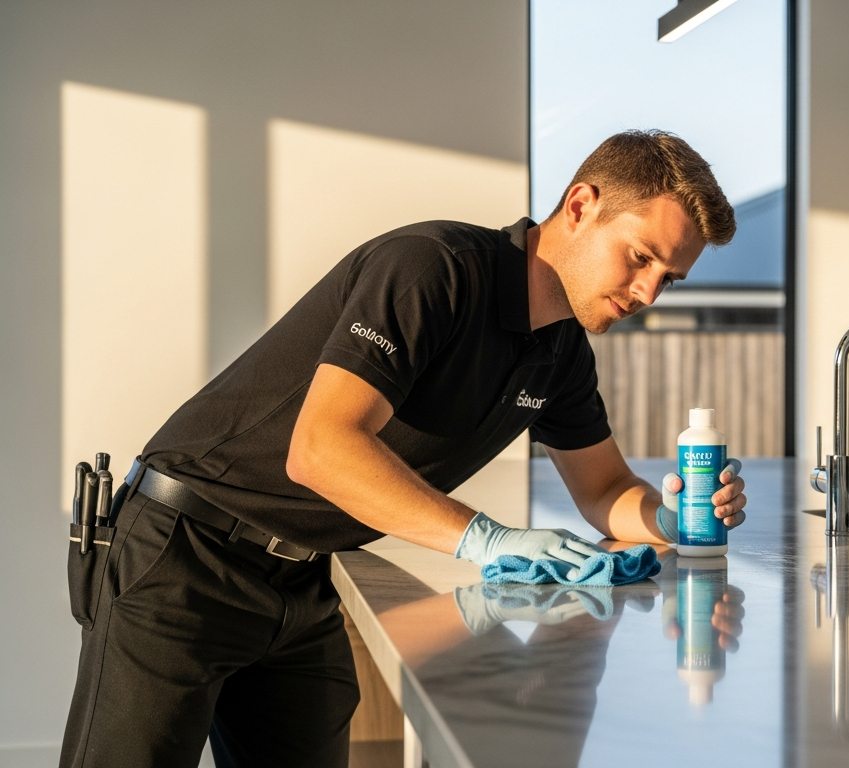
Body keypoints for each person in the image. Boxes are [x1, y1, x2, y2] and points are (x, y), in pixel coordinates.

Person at [60, 129, 750, 767]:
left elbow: (603, 491)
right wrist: (487, 540)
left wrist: (671, 516)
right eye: (641, 257)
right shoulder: (434, 269)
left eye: (672, 277)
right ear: (580, 206)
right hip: (184, 554)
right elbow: (321, 448)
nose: (650, 291)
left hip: (302, 581)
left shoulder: (561, 349)